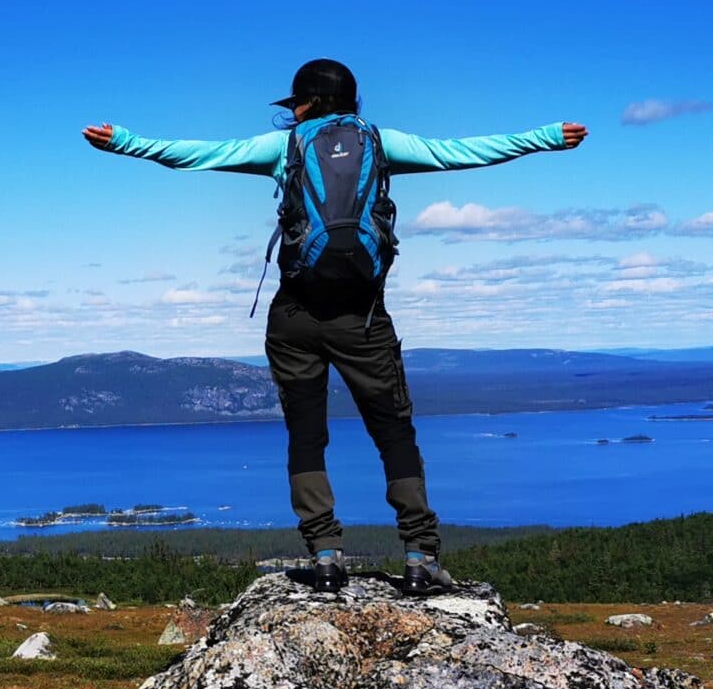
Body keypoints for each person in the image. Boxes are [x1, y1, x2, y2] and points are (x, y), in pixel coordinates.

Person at [84, 58, 586, 592]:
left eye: (295, 102)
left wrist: (126, 142)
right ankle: (420, 558)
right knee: (394, 434)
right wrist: (547, 137)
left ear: (309, 102)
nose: (292, 111)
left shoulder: (287, 147)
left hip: (295, 316)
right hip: (363, 319)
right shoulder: (380, 141)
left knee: (306, 435)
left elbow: (197, 156)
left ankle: (325, 556)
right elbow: (463, 153)